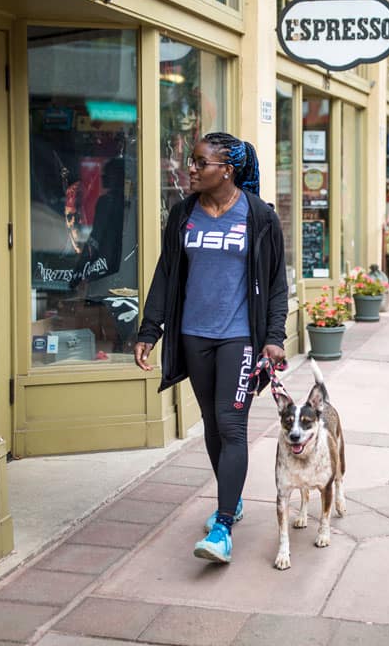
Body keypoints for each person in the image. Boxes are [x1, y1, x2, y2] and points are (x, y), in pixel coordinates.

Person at [134, 132, 288, 564]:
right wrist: (151, 329)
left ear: (228, 169)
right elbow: (167, 272)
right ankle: (232, 495)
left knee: (232, 423)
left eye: (202, 163)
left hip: (240, 336)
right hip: (193, 335)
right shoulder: (183, 214)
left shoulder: (259, 217)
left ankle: (223, 526)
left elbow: (277, 283)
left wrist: (274, 337)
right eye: (192, 161)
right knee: (212, 424)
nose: (192, 169)